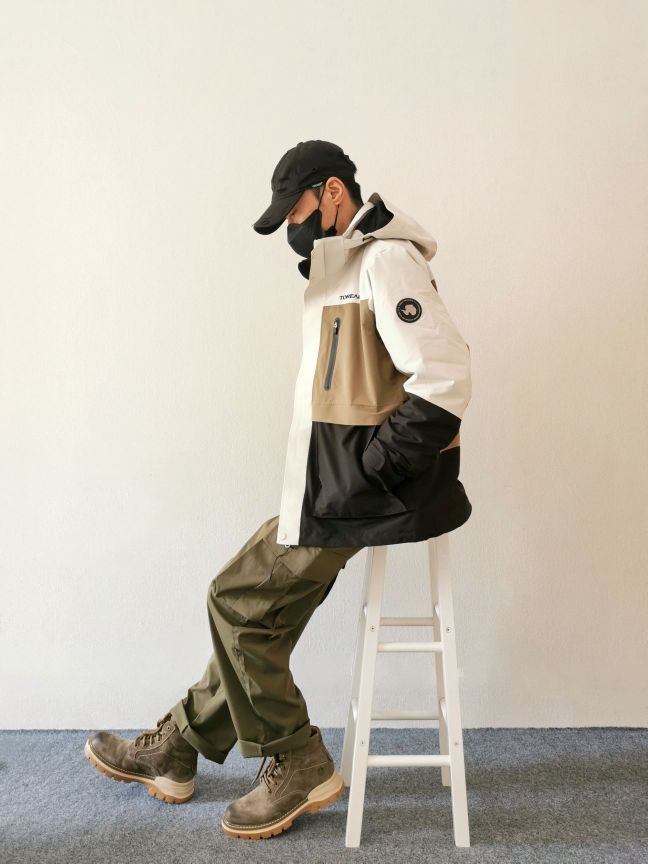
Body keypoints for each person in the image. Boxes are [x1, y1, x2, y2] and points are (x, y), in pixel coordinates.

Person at [84, 139, 473, 840]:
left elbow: (444, 378)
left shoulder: (386, 260)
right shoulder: (341, 266)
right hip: (333, 483)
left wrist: (373, 470)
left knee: (235, 601)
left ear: (332, 193)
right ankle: (178, 748)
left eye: (296, 210)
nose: (291, 225)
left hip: (364, 492)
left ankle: (297, 759)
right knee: (256, 608)